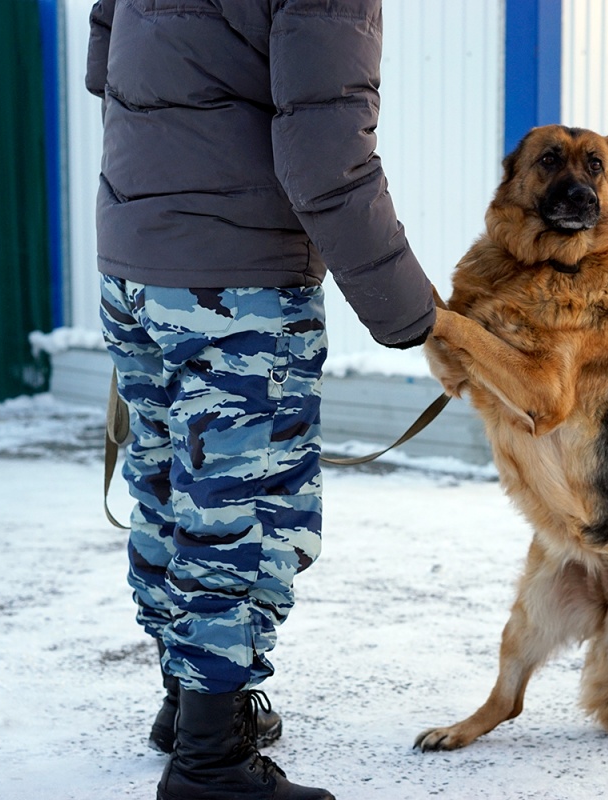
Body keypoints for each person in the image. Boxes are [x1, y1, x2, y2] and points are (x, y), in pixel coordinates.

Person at [85, 1, 436, 798]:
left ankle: (191, 707)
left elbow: (105, 66)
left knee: (172, 487)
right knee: (240, 511)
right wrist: (413, 314)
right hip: (236, 283)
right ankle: (211, 762)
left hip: (134, 263)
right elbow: (326, 156)